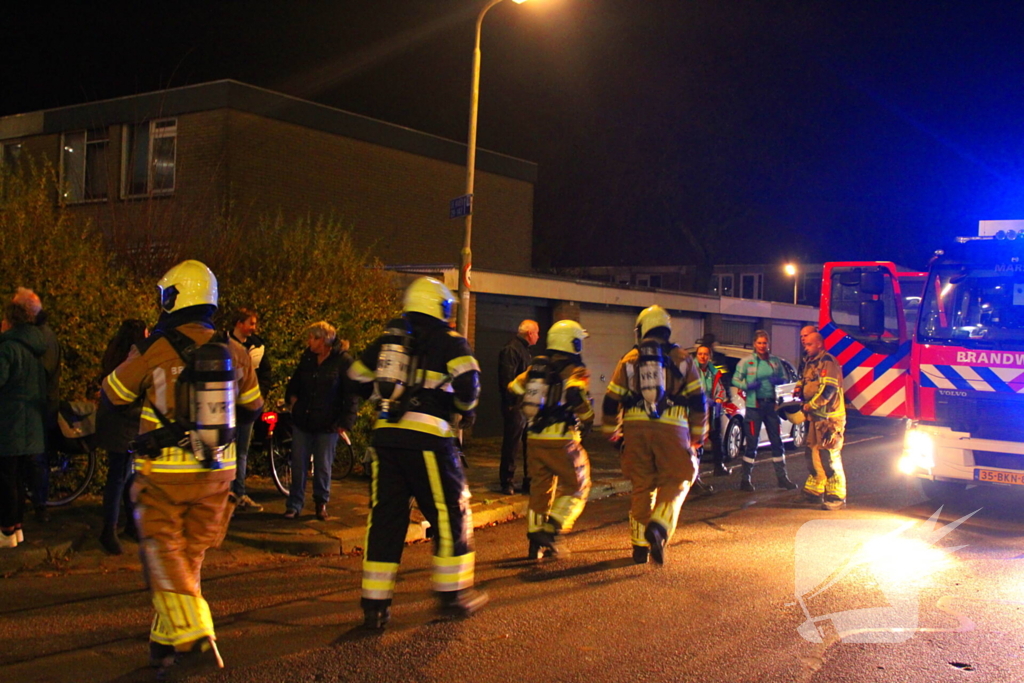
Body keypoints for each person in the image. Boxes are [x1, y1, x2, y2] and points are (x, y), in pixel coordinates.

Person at [101, 260, 262, 675]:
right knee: (186, 558)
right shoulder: (236, 351)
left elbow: (114, 393)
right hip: (219, 475)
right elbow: (253, 409)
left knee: (161, 551)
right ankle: (162, 641)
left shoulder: (156, 346)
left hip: (165, 474)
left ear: (174, 297)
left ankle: (194, 638)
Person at [348, 276, 486, 629]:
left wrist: (381, 399)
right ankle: (453, 594)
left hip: (386, 440)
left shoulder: (388, 341)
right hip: (429, 439)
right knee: (449, 512)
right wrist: (463, 408)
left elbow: (353, 378)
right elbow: (470, 383)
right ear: (440, 306)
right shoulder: (451, 340)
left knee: (386, 521)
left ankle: (374, 606)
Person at [602, 305, 706, 565]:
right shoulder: (682, 358)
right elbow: (698, 399)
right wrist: (698, 435)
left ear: (642, 329)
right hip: (673, 427)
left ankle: (639, 548)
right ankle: (659, 526)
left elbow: (611, 400)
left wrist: (612, 433)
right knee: (679, 477)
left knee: (641, 486)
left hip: (635, 429)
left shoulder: (629, 359)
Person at [507, 320, 593, 558]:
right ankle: (552, 529)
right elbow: (576, 394)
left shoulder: (537, 366)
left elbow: (514, 388)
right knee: (579, 484)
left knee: (540, 490)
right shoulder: (575, 369)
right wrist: (587, 419)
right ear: (572, 342)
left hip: (534, 438)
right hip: (561, 439)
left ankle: (535, 544)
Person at [283, 322, 358, 521]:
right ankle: (294, 504)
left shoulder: (342, 361)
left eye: (313, 338)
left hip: (328, 423)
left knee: (323, 465)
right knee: (298, 464)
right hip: (303, 419)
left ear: (324, 341)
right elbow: (295, 383)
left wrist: (345, 420)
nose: (309, 342)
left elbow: (351, 393)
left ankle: (320, 502)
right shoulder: (307, 358)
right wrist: (293, 400)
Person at [95, 319, 148, 555]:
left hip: (113, 422)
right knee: (120, 477)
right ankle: (110, 530)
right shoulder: (133, 360)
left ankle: (128, 526)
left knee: (126, 475)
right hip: (125, 424)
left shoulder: (114, 353)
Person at [0, 292, 48, 549]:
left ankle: (7, 531)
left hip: (9, 424)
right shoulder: (35, 349)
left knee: (6, 480)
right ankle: (16, 529)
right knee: (17, 479)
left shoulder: (8, 348)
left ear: (10, 321)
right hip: (30, 425)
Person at [13, 288, 61, 523]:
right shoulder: (40, 334)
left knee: (36, 457)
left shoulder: (43, 337)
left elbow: (43, 372)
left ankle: (41, 505)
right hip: (36, 404)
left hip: (40, 405)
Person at [732, 330, 797, 492]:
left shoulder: (775, 362)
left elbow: (784, 379)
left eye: (765, 343)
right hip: (755, 407)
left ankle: (782, 478)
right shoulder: (746, 362)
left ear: (769, 344)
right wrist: (747, 386)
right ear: (755, 344)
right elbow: (735, 379)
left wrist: (780, 381)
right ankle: (745, 480)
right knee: (752, 443)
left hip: (771, 406)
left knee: (777, 442)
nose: (762, 346)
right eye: (759, 343)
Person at [228, 307, 272, 513]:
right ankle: (226, 495)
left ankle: (239, 492)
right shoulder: (223, 344)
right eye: (251, 323)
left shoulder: (258, 346)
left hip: (246, 409)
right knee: (224, 451)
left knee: (241, 452)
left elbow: (265, 373)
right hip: (226, 408)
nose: (254, 328)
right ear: (239, 323)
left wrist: (259, 396)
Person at [798, 332, 847, 510]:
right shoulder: (811, 362)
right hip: (816, 417)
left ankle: (836, 496)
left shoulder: (828, 362)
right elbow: (807, 382)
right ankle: (815, 491)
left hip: (829, 417)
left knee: (829, 455)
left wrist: (811, 405)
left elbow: (829, 389)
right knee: (812, 451)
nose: (806, 347)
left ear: (819, 345)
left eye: (809, 344)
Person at [497, 319, 538, 495]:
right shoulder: (512, 350)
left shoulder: (524, 351)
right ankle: (507, 482)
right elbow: (508, 381)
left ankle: (528, 481)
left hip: (525, 405)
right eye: (537, 333)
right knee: (512, 445)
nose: (538, 336)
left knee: (529, 445)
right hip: (516, 406)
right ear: (530, 333)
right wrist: (513, 403)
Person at [695, 343, 729, 477]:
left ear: (709, 356)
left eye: (705, 354)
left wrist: (719, 398)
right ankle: (694, 473)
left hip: (712, 409)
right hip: (696, 411)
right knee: (698, 441)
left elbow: (720, 389)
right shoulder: (692, 371)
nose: (703, 357)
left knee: (716, 438)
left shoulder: (714, 371)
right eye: (700, 354)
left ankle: (719, 466)